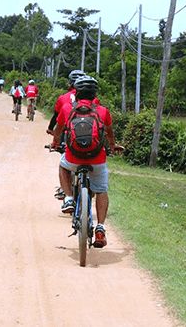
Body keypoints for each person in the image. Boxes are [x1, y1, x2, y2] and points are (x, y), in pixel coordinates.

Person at [50, 75, 123, 248]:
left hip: (73, 158)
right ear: (94, 94)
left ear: (76, 92)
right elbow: (109, 133)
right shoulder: (103, 111)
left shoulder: (68, 108)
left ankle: (68, 198)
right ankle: (100, 228)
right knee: (101, 190)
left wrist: (54, 143)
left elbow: (58, 129)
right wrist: (112, 146)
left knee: (63, 166)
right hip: (97, 160)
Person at [48, 69, 87, 200]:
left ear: (70, 84)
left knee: (65, 160)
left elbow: (56, 117)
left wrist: (50, 130)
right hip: (88, 136)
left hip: (67, 135)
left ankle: (66, 191)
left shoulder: (63, 98)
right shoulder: (93, 100)